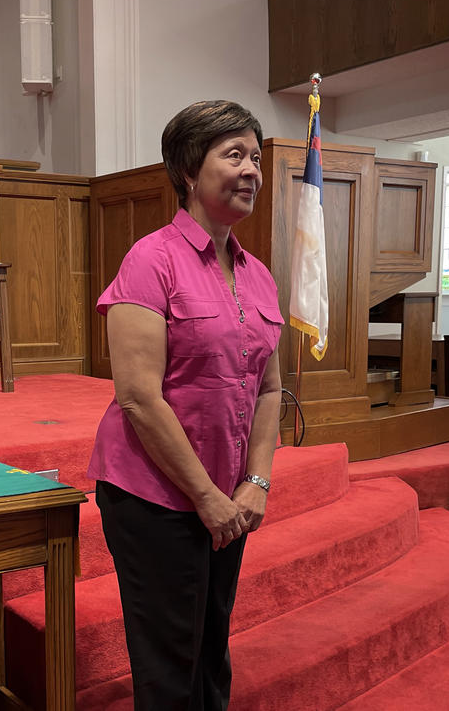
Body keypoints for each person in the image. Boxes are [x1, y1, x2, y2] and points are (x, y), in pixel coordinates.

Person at [89, 100, 284, 711]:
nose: (251, 169)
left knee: (210, 648)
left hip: (227, 495)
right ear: (187, 172)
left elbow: (270, 388)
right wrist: (205, 497)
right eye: (234, 155)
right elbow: (139, 398)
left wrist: (255, 482)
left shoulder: (260, 276)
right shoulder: (152, 259)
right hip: (155, 495)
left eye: (256, 156)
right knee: (170, 663)